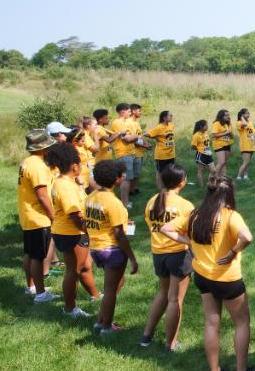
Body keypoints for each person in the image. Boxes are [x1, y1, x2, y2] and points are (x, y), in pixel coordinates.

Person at [160, 176, 255, 371]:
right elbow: (247, 237)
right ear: (229, 194)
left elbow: (165, 228)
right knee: (241, 322)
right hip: (227, 279)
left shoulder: (195, 214)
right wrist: (232, 253)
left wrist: (188, 242)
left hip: (203, 277)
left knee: (211, 323)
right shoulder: (231, 215)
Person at [140, 164, 194, 351]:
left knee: (163, 294)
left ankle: (146, 336)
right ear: (182, 182)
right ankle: (171, 343)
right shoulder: (185, 205)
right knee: (175, 299)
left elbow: (150, 224)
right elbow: (191, 231)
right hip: (178, 254)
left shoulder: (151, 201)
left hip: (158, 254)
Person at [85, 160, 139, 335]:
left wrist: (124, 222)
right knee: (110, 290)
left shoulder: (91, 197)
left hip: (96, 247)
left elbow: (99, 220)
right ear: (116, 179)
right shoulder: (114, 203)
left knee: (115, 284)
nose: (124, 177)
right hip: (112, 249)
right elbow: (119, 235)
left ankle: (101, 320)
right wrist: (132, 257)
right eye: (121, 175)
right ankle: (106, 327)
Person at [47, 142, 100, 317]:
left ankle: (95, 295)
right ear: (74, 165)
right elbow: (75, 216)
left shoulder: (66, 182)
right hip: (72, 232)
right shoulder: (65, 186)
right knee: (73, 271)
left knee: (84, 266)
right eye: (80, 164)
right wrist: (89, 230)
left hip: (67, 231)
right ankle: (70, 308)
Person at [18, 129, 57, 302]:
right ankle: (41, 294)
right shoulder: (38, 166)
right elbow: (42, 195)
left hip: (27, 214)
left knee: (30, 253)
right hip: (38, 217)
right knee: (38, 256)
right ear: (43, 148)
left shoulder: (27, 162)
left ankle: (32, 286)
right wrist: (53, 215)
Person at [110, 103, 140, 209]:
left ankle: (126, 201)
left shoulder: (124, 123)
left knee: (128, 178)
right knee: (126, 179)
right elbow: (127, 139)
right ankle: (124, 202)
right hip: (123, 153)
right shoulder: (117, 122)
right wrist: (137, 136)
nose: (130, 113)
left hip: (130, 153)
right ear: (122, 111)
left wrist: (133, 137)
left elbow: (130, 137)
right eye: (128, 111)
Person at [146, 110, 176, 190]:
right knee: (160, 172)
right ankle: (160, 188)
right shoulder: (159, 127)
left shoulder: (171, 125)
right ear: (164, 118)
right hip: (162, 155)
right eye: (170, 115)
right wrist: (155, 137)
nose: (172, 116)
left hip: (171, 154)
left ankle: (168, 186)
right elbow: (147, 134)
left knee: (170, 171)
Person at [210, 109, 233, 176]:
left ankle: (223, 178)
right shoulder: (217, 123)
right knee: (221, 162)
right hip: (219, 145)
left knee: (224, 163)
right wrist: (225, 133)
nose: (228, 116)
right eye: (226, 115)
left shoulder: (228, 123)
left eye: (228, 115)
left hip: (227, 144)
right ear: (221, 116)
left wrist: (230, 133)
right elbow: (213, 135)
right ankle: (213, 178)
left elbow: (232, 135)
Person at [235, 108, 255, 180]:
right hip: (245, 145)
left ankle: (245, 176)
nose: (248, 114)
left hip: (251, 144)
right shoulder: (239, 122)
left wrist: (254, 144)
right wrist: (241, 117)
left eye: (249, 113)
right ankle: (238, 176)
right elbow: (244, 124)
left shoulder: (249, 122)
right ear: (242, 115)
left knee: (248, 162)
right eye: (247, 113)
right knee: (246, 162)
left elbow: (252, 133)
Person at [191, 120, 213, 186]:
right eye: (206, 125)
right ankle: (201, 186)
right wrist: (201, 150)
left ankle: (209, 183)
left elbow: (207, 143)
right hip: (201, 155)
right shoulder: (196, 135)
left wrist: (207, 150)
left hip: (208, 154)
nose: (207, 126)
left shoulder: (206, 133)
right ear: (201, 126)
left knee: (214, 171)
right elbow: (193, 146)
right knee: (200, 171)